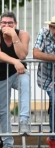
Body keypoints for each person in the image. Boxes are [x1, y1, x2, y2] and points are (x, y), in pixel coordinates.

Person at [0, 11, 30, 148]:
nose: (7, 25)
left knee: (25, 81)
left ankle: (24, 120)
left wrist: (14, 36)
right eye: (4, 23)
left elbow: (22, 55)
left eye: (10, 23)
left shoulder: (22, 34)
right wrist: (15, 61)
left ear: (15, 24)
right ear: (0, 24)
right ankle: (8, 144)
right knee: (3, 111)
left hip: (18, 73)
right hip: (0, 76)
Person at [33, 16, 55, 148]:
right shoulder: (43, 32)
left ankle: (52, 138)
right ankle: (53, 138)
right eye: (52, 26)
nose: (52, 29)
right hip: (47, 79)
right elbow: (36, 53)